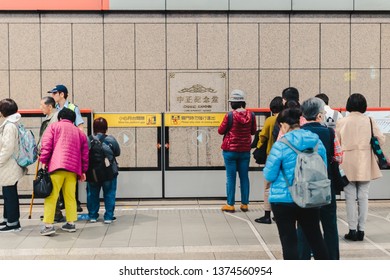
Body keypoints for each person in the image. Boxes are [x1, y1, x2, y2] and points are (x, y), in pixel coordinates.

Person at [263, 107, 329, 260]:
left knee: (289, 242)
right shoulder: (316, 142)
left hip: (283, 200)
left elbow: (269, 175)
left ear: (284, 125)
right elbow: (323, 168)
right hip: (310, 196)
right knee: (316, 238)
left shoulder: (280, 145)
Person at [298, 97, 343, 260]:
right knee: (330, 226)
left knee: (303, 227)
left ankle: (302, 259)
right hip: (326, 187)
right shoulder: (329, 133)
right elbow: (338, 158)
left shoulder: (297, 134)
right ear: (318, 116)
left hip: (304, 188)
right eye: (323, 113)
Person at [336, 93, 385, 241]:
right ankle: (361, 230)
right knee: (363, 196)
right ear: (364, 106)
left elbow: (336, 143)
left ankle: (352, 230)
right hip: (365, 161)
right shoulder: (369, 121)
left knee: (350, 197)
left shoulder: (342, 122)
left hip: (347, 162)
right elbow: (380, 140)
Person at [39, 108, 89, 236]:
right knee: (70, 196)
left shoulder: (54, 127)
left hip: (57, 166)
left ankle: (49, 226)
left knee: (52, 196)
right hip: (73, 169)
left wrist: (43, 160)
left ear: (60, 118)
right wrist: (83, 170)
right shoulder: (80, 133)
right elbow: (85, 154)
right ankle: (71, 223)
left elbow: (47, 145)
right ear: (73, 120)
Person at [218, 89, 256, 213]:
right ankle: (245, 204)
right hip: (245, 150)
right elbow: (253, 131)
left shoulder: (229, 115)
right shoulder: (252, 115)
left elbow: (220, 131)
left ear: (232, 103)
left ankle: (230, 204)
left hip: (230, 150)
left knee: (231, 177)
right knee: (244, 177)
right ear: (243, 102)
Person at [48, 84, 84, 212]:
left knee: (71, 176)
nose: (52, 96)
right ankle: (62, 203)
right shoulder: (55, 109)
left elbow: (80, 128)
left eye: (54, 93)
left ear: (62, 94)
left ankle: (74, 202)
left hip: (71, 147)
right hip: (58, 148)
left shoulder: (73, 108)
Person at [254, 96, 283, 224]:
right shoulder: (286, 119)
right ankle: (279, 214)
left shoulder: (270, 120)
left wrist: (259, 147)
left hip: (271, 156)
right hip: (285, 157)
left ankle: (267, 215)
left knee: (268, 186)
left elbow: (263, 136)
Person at [87, 117, 120, 224]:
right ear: (106, 128)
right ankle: (108, 217)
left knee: (92, 194)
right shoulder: (111, 139)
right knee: (109, 193)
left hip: (93, 173)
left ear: (94, 128)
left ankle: (92, 216)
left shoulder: (89, 139)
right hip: (109, 172)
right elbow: (117, 152)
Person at [0, 99, 26, 232]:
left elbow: (7, 148)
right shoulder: (13, 122)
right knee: (8, 192)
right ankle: (7, 219)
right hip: (10, 164)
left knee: (10, 194)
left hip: (9, 164)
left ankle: (13, 223)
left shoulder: (10, 125)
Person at [38, 96, 64, 223]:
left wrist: (44, 157)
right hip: (49, 156)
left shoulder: (56, 118)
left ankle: (55, 214)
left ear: (49, 106)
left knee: (52, 186)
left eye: (42, 105)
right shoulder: (49, 118)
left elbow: (51, 140)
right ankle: (54, 212)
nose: (40, 108)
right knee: (51, 185)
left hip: (51, 157)